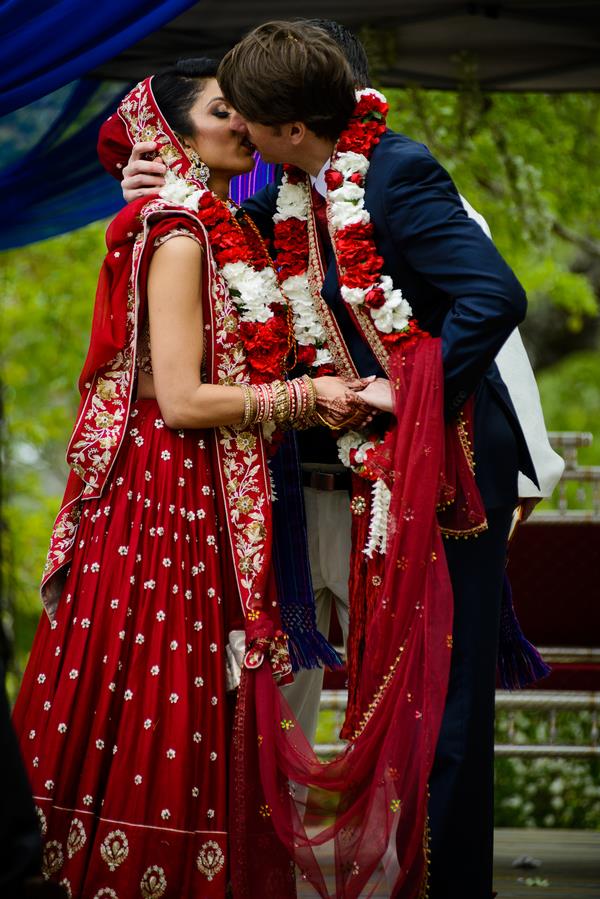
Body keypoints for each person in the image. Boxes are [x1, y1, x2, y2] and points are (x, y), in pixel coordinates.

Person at [11, 59, 366, 898]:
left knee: (196, 679)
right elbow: (178, 397)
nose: (242, 120)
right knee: (159, 680)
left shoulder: (221, 226)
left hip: (199, 485)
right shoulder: (177, 234)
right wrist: (307, 397)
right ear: (176, 135)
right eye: (221, 110)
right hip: (161, 489)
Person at [214, 21, 537, 899]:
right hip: (376, 467)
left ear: (288, 128)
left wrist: (407, 386)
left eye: (245, 120)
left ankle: (454, 884)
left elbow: (493, 293)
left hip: (455, 451)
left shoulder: (395, 174)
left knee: (449, 673)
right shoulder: (296, 186)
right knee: (395, 664)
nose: (238, 135)